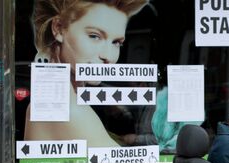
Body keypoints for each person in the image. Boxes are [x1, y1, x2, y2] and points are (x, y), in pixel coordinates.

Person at [24, 0, 149, 146]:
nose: (108, 56)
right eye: (94, 36)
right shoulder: (68, 111)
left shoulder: (51, 104)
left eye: (116, 42)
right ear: (58, 28)